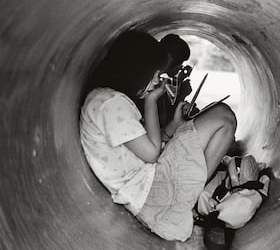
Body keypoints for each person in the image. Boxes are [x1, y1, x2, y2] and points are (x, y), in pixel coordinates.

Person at [80, 30, 237, 241]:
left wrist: (174, 126)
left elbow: (150, 142)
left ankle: (191, 195)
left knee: (217, 127)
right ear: (135, 69)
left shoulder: (107, 99)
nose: (157, 81)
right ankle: (190, 198)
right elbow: (152, 153)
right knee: (224, 117)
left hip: (148, 187)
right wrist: (152, 100)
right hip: (151, 190)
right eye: (154, 73)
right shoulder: (110, 103)